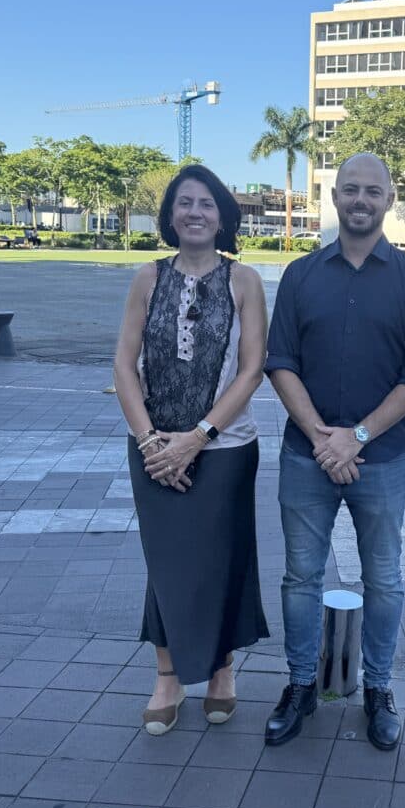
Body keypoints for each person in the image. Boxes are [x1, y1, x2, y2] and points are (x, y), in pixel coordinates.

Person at [264, 153, 405, 750]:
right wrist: (321, 436)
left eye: (373, 191)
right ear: (334, 198)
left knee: (385, 580)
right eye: (350, 190)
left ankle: (378, 690)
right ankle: (299, 686)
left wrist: (356, 436)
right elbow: (280, 362)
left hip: (382, 460)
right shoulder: (300, 275)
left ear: (390, 199)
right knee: (300, 578)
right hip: (305, 456)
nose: (360, 200)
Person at [113, 164, 270, 736]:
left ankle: (224, 670)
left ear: (223, 216)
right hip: (153, 449)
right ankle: (168, 675)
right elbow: (123, 365)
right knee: (166, 562)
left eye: (207, 203)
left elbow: (253, 370)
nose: (196, 212)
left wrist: (198, 437)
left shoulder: (245, 280)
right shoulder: (146, 278)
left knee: (223, 556)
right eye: (185, 203)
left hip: (225, 448)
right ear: (171, 215)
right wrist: (153, 441)